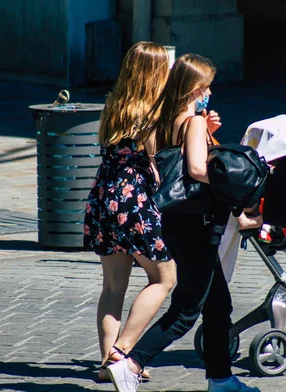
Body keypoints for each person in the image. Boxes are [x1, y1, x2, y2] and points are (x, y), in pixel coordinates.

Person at [106, 53, 260, 392]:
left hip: (173, 221)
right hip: (198, 224)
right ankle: (132, 362)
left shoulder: (158, 121)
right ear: (195, 88)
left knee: (218, 304)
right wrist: (235, 183)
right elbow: (196, 170)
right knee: (187, 309)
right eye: (207, 87)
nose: (210, 94)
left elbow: (161, 168)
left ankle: (221, 379)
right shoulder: (194, 122)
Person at [83, 41, 176, 383]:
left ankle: (107, 363)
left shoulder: (113, 105)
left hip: (104, 197)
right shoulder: (152, 111)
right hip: (133, 203)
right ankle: (122, 353)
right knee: (164, 278)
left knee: (112, 287)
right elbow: (156, 156)